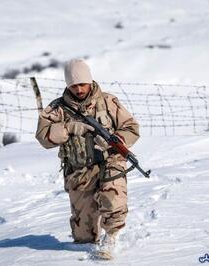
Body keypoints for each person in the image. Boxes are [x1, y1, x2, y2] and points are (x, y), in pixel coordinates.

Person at [35, 59, 139, 255]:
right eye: (74, 85)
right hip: (79, 169)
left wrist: (115, 139)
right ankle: (88, 241)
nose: (79, 89)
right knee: (83, 236)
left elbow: (132, 128)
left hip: (110, 161)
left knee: (113, 199)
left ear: (90, 81)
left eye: (82, 84)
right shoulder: (57, 109)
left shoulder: (108, 102)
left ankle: (112, 237)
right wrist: (68, 128)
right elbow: (43, 137)